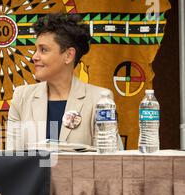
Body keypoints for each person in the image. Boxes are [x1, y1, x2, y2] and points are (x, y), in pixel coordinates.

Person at [6, 13, 116, 150]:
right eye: (36, 50)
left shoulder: (100, 99)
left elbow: (110, 159)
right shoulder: (21, 97)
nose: (34, 57)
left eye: (43, 50)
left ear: (68, 55)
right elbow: (12, 159)